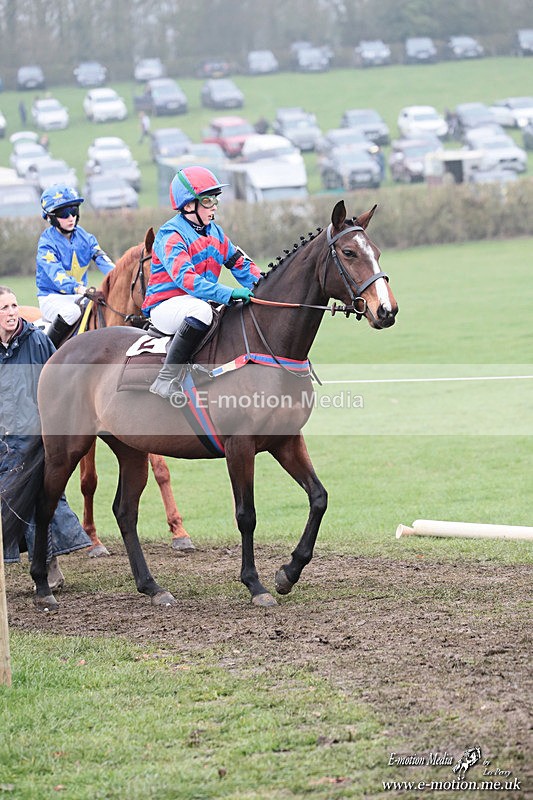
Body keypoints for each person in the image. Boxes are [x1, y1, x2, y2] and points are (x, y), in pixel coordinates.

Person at [142, 166, 261, 401]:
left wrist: (267, 285)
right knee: (203, 311)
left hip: (195, 303)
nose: (214, 206)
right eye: (207, 200)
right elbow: (188, 281)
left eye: (215, 199)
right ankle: (165, 379)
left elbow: (241, 265)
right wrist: (230, 293)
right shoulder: (171, 235)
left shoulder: (215, 233)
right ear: (188, 205)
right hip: (166, 306)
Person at [0, 286, 91, 588]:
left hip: (34, 435)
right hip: (3, 439)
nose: (11, 312)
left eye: (14, 305)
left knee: (41, 500)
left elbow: (58, 382)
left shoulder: (37, 341)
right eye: (4, 308)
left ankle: (49, 566)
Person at [36, 184, 115, 346]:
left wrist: (120, 277)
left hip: (79, 296)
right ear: (51, 217)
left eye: (74, 211)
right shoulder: (46, 244)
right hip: (52, 298)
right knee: (72, 312)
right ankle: (45, 351)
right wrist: (81, 289)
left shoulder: (86, 237)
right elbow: (58, 278)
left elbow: (104, 261)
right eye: (64, 213)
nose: (71, 217)